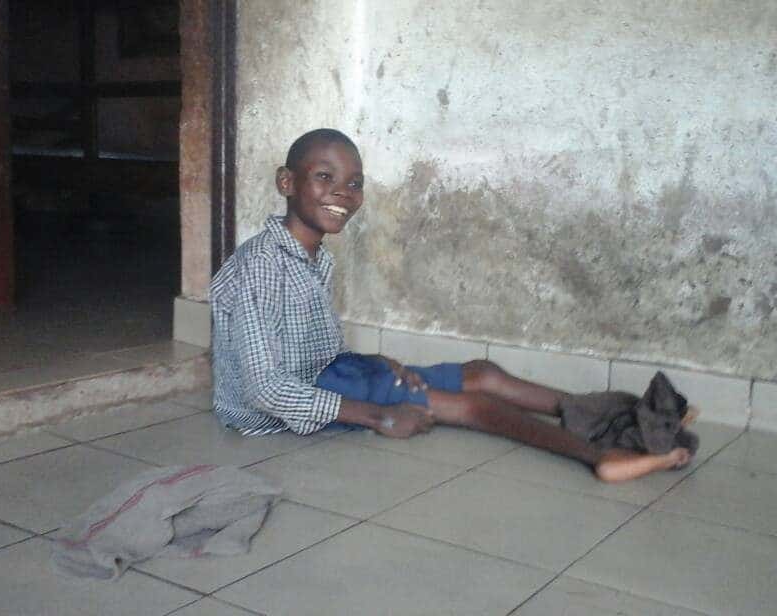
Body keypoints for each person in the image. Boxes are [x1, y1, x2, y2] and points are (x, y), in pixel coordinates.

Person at [211, 128, 693, 483]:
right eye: (325, 177)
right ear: (286, 182)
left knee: (483, 371)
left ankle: (616, 415)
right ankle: (599, 457)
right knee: (472, 405)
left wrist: (375, 363)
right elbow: (267, 390)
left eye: (355, 183)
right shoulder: (260, 265)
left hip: (329, 372)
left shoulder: (313, 257)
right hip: (286, 404)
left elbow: (316, 349)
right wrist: (380, 415)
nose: (343, 193)